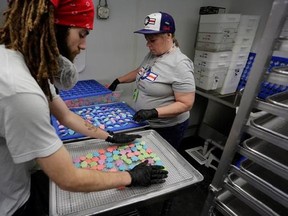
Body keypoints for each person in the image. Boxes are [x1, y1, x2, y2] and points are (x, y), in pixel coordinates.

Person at [0, 1, 168, 216]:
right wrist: (131, 177)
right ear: (52, 27)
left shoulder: (25, 62)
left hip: (17, 180)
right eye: (82, 34)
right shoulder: (20, 90)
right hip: (10, 204)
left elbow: (66, 115)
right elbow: (68, 178)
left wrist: (108, 136)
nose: (84, 45)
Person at [109, 12, 195, 151]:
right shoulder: (154, 54)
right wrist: (118, 80)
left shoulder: (180, 64)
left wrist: (153, 112)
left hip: (167, 128)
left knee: (162, 159)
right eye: (146, 39)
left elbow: (186, 103)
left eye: (152, 40)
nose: (148, 44)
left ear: (169, 35)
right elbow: (141, 70)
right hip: (148, 123)